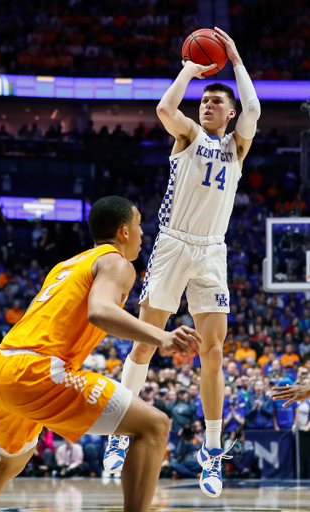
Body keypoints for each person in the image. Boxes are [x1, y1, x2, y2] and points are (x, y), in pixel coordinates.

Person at [104, 27, 261, 499]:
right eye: (205, 100)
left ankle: (211, 452)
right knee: (145, 342)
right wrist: (191, 68)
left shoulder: (236, 145)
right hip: (173, 246)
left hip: (213, 250)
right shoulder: (188, 135)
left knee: (213, 353)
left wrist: (234, 59)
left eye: (217, 102)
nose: (208, 105)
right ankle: (116, 429)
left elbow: (253, 109)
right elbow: (164, 110)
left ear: (230, 113)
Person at [0, 196, 200, 512]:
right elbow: (100, 311)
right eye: (139, 226)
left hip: (1, 368)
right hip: (37, 370)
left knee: (7, 464)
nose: (144, 233)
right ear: (124, 232)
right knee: (155, 426)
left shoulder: (67, 264)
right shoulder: (118, 263)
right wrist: (163, 336)